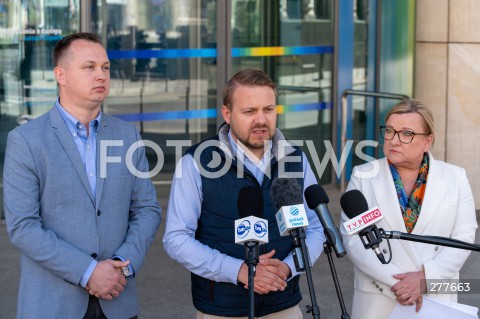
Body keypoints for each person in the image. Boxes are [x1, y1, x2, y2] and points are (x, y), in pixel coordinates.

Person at [3, 32, 162, 319]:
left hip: (118, 299)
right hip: (52, 305)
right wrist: (87, 272)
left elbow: (147, 210)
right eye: (89, 67)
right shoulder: (25, 140)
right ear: (60, 75)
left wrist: (121, 266)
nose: (100, 75)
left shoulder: (128, 136)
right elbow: (23, 226)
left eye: (105, 67)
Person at [163, 69, 325, 319]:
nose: (261, 120)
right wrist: (238, 270)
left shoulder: (296, 160)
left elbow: (315, 228)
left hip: (283, 304)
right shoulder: (196, 162)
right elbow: (176, 238)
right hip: (223, 309)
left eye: (268, 110)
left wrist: (288, 268)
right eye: (250, 111)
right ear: (227, 114)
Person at [339, 99, 477, 319]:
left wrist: (425, 279)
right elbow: (353, 239)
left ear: (427, 141)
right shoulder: (363, 175)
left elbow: (464, 236)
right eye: (390, 131)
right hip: (379, 296)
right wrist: (401, 284)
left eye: (407, 134)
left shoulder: (455, 177)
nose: (394, 140)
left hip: (436, 296)